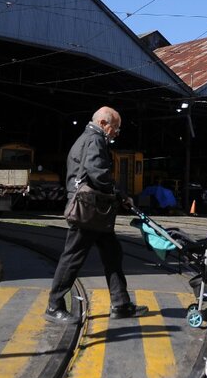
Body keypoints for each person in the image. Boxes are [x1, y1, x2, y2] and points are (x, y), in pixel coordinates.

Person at [45, 106, 148, 324]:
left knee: (113, 253)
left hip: (94, 211)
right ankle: (54, 306)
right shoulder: (94, 140)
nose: (116, 133)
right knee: (73, 257)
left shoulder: (86, 138)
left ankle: (121, 304)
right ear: (103, 123)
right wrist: (120, 193)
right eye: (115, 128)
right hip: (87, 211)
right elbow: (98, 173)